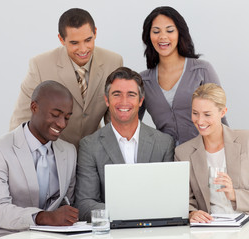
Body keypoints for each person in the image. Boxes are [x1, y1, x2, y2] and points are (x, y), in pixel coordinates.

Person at [9, 8, 123, 148]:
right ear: (61, 39)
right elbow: (21, 119)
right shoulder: (40, 65)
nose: (83, 49)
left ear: (95, 33)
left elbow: (114, 118)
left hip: (94, 151)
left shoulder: (114, 62)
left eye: (88, 40)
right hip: (53, 151)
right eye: (74, 43)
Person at [0, 81, 79, 239]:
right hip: (7, 234)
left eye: (67, 117)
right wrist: (44, 217)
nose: (61, 124)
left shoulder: (68, 151)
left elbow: (67, 202)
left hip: (51, 236)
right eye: (55, 114)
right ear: (34, 107)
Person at [75, 67, 175, 221]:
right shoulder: (89, 146)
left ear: (141, 101)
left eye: (131, 95)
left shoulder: (164, 143)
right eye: (117, 95)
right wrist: (130, 211)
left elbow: (169, 198)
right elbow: (84, 205)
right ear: (107, 100)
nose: (124, 102)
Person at [174, 83, 249, 222]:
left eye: (207, 114)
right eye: (195, 113)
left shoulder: (247, 140)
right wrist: (192, 213)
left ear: (223, 112)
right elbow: (184, 201)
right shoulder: (183, 153)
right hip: (213, 227)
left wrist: (235, 194)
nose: (200, 121)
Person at [140, 6, 227, 146]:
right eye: (156, 31)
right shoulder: (143, 81)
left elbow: (220, 120)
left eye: (169, 30)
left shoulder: (202, 70)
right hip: (166, 161)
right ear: (148, 37)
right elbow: (131, 125)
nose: (163, 36)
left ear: (180, 33)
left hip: (203, 156)